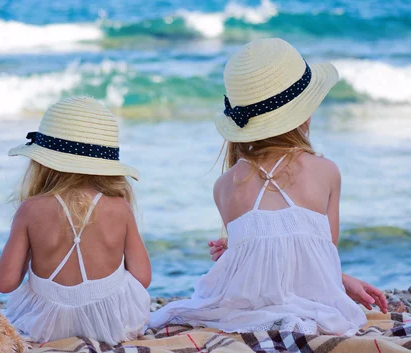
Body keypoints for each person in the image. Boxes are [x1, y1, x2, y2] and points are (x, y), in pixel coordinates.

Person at [150, 38, 387, 336]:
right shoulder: (327, 172)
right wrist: (342, 280)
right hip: (310, 304)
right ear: (303, 112)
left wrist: (239, 255)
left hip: (246, 311)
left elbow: (268, 270)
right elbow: (321, 257)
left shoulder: (224, 185)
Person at [0, 97, 151, 345]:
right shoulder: (119, 207)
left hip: (45, 326)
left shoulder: (30, 210)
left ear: (43, 160)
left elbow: (5, 283)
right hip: (111, 325)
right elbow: (142, 277)